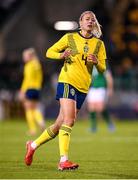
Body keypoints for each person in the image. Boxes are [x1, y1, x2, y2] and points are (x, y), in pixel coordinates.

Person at [24, 11, 107, 170]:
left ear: (95, 24)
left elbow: (102, 69)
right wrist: (61, 55)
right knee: (70, 120)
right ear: (81, 22)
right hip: (67, 81)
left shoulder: (99, 44)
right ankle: (63, 161)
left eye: (92, 20)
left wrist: (97, 62)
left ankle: (32, 145)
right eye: (87, 19)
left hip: (83, 87)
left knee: (58, 124)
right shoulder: (70, 38)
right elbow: (49, 52)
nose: (90, 21)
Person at [19, 48, 45, 135]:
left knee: (28, 109)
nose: (24, 58)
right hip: (37, 89)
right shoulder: (37, 64)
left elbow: (27, 79)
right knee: (35, 108)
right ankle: (40, 121)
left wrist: (23, 90)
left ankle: (32, 129)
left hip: (29, 88)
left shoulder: (29, 65)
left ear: (30, 56)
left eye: (25, 56)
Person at [87, 67, 115, 132]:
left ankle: (110, 124)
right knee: (91, 107)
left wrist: (110, 88)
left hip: (101, 88)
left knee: (100, 108)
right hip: (93, 89)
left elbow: (109, 78)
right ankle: (93, 127)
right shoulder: (91, 66)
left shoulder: (103, 65)